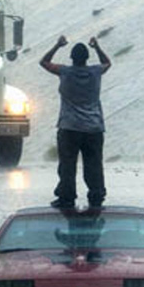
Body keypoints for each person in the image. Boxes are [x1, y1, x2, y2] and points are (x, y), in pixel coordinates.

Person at [40, 35, 112, 209]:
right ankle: (96, 197)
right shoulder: (95, 72)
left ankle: (67, 197)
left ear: (72, 58)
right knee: (94, 165)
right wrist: (97, 47)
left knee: (67, 165)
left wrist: (57, 45)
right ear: (87, 58)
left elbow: (44, 62)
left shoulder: (65, 72)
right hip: (93, 128)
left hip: (69, 127)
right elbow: (107, 63)